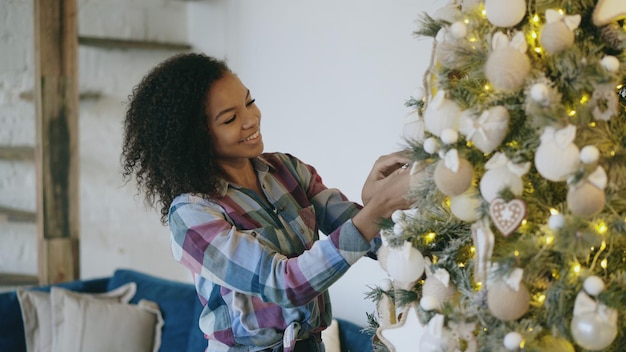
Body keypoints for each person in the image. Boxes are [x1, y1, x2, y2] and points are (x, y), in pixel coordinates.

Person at [121, 52, 412, 352]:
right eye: (231, 118)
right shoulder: (192, 215)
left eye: (249, 102)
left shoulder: (288, 170)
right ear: (195, 137)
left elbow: (372, 238)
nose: (251, 119)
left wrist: (374, 201)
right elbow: (284, 284)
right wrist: (377, 210)